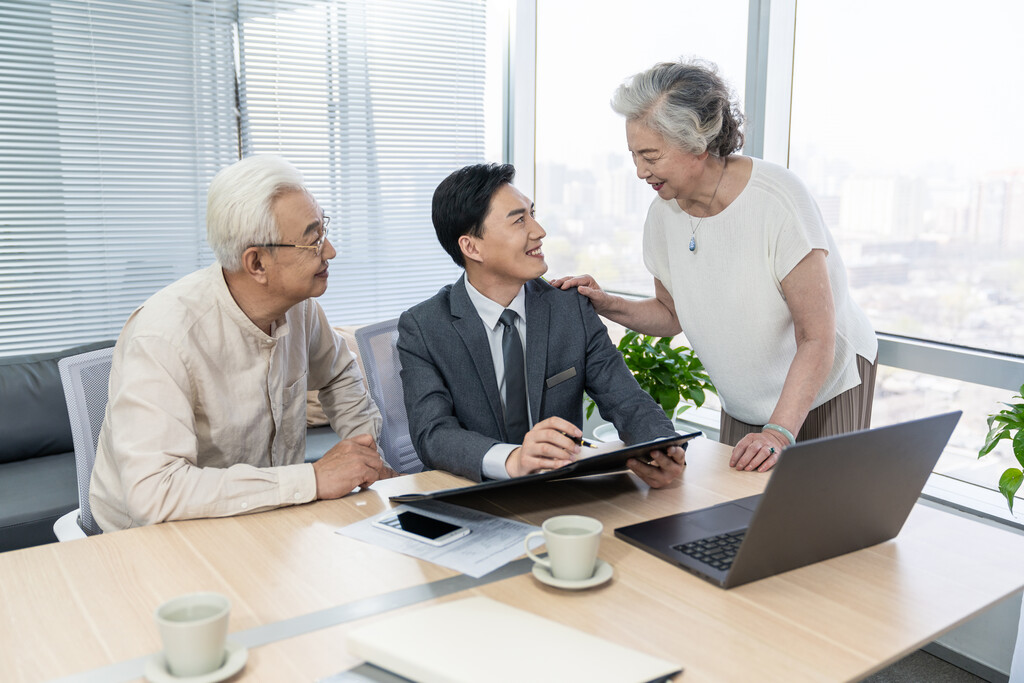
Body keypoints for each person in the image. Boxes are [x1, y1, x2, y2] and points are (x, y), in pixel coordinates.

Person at [551, 59, 877, 473]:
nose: (639, 171)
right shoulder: (662, 214)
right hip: (744, 398)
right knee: (740, 516)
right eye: (633, 155)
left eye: (651, 156)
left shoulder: (777, 201)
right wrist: (606, 303)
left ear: (698, 143)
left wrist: (777, 432)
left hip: (827, 386)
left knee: (824, 519)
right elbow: (671, 315)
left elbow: (815, 336)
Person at [90, 155, 394, 532]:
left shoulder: (301, 310)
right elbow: (155, 493)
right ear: (257, 264)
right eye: (312, 241)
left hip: (268, 517)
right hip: (156, 537)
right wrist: (312, 479)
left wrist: (365, 454)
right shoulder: (164, 336)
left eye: (323, 232)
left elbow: (337, 374)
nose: (329, 251)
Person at [397, 163, 685, 487]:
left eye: (532, 214)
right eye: (519, 220)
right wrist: (511, 460)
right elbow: (432, 435)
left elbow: (627, 400)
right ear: (471, 247)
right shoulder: (423, 328)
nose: (539, 231)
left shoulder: (570, 308)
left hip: (559, 495)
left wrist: (662, 447)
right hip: (470, 497)